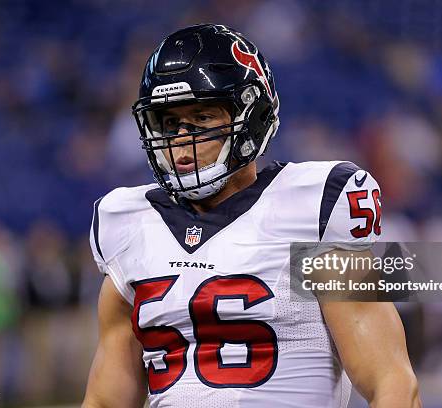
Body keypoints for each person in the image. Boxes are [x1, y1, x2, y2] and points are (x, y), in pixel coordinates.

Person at [83, 24, 421, 408]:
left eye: (202, 117)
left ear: (252, 115)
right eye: (170, 123)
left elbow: (391, 383)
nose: (181, 138)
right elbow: (105, 400)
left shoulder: (313, 207)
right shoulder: (127, 223)